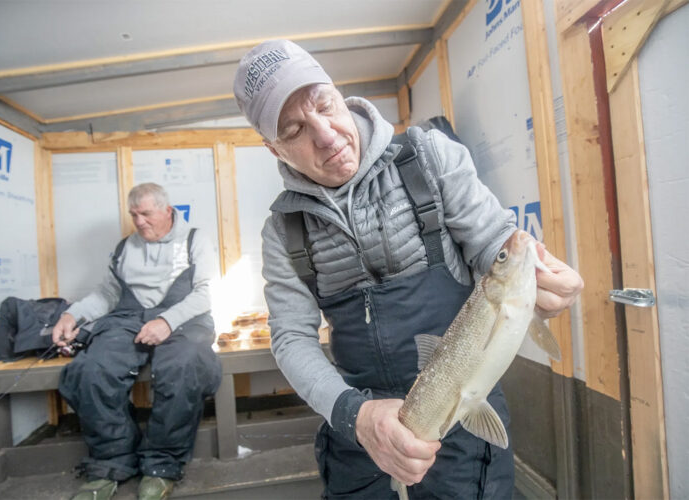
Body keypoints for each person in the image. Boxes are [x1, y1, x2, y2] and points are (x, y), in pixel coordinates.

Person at [233, 40, 583, 499]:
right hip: (360, 425)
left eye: (324, 104)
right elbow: (291, 338)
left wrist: (540, 277)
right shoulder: (283, 231)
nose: (327, 136)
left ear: (339, 93)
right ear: (274, 149)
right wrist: (356, 416)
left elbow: (495, 245)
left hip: (461, 416)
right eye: (295, 129)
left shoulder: (429, 157)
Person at [52, 183, 222, 500]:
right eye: (134, 215)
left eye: (146, 214)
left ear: (167, 211)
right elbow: (107, 294)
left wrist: (167, 321)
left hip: (184, 319)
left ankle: (161, 465)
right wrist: (72, 315)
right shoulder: (125, 248)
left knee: (182, 367)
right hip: (129, 319)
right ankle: (111, 463)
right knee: (90, 371)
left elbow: (206, 293)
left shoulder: (195, 240)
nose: (139, 222)